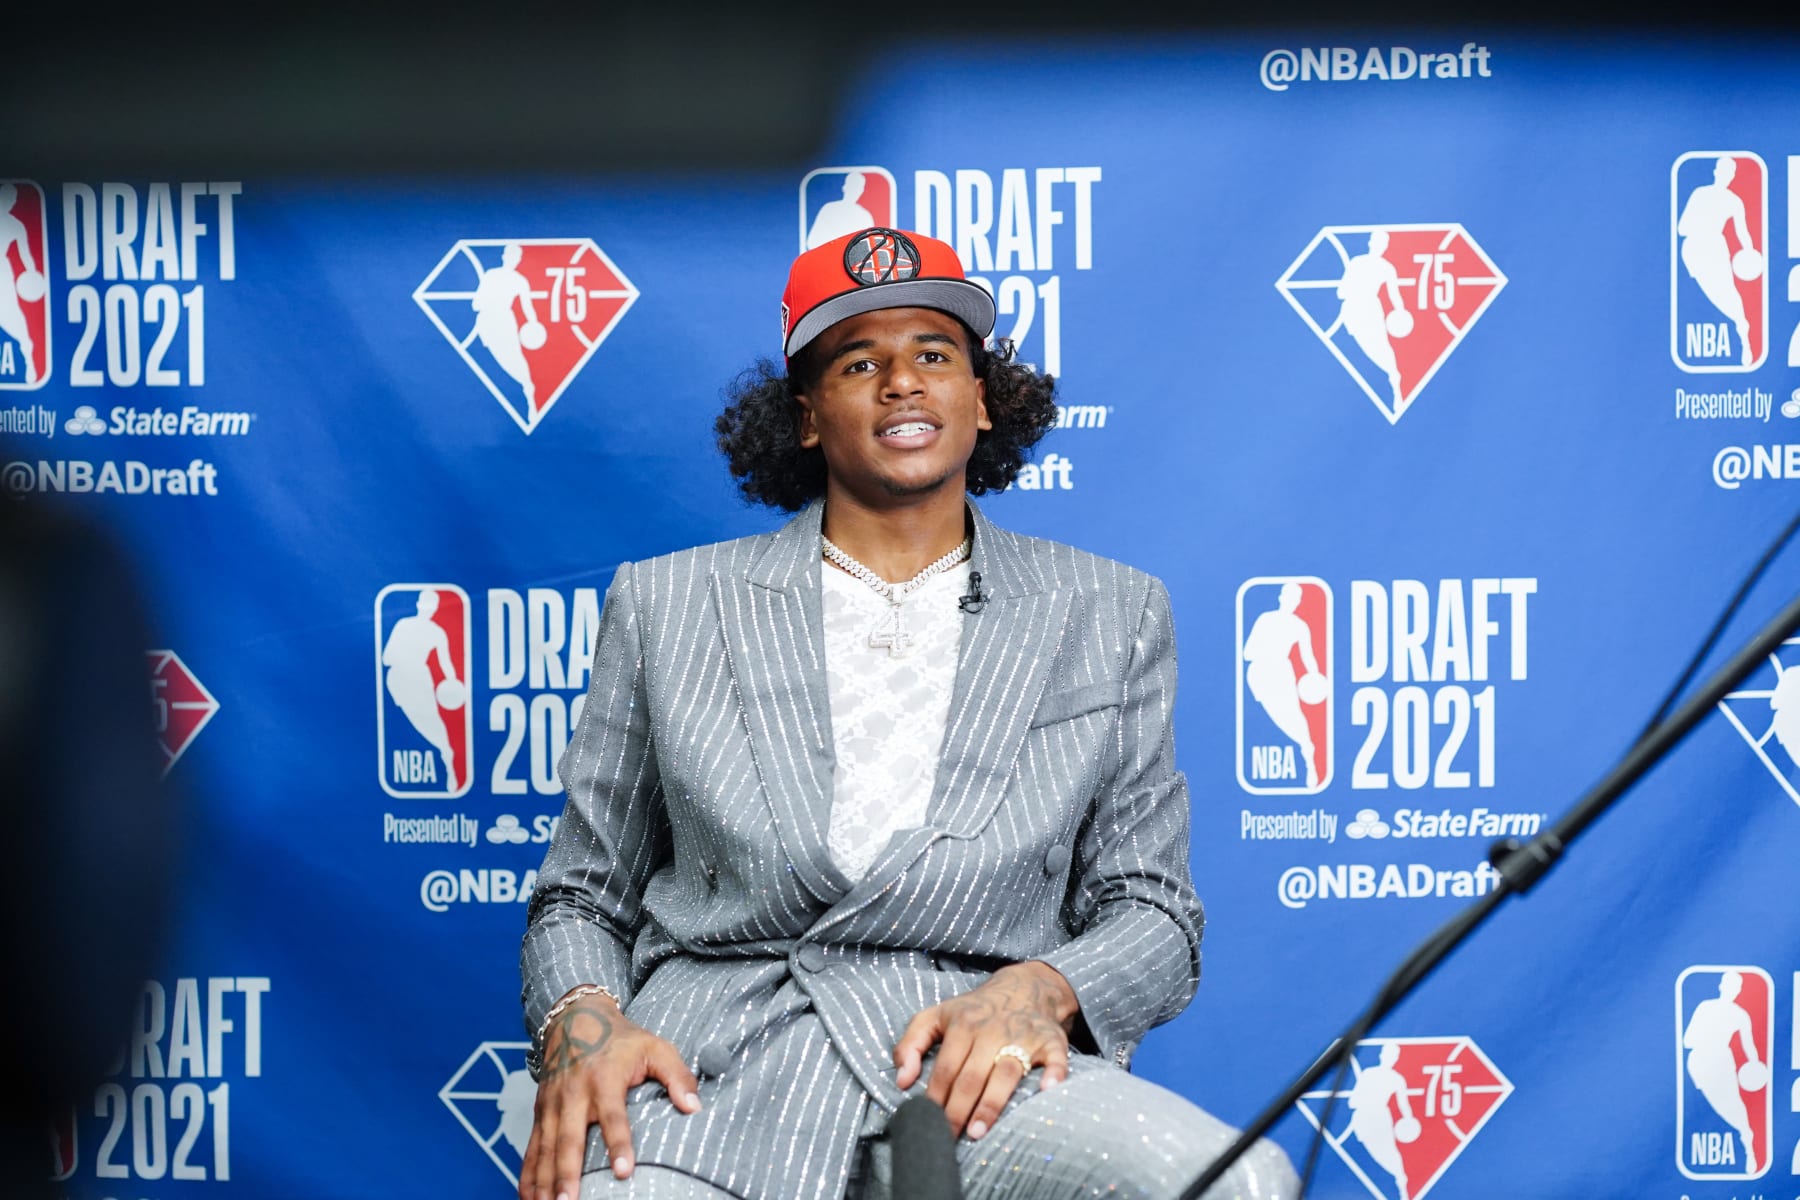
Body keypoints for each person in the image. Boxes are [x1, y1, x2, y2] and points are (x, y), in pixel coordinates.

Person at [519, 226, 1297, 1200]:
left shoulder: (1110, 610)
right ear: (805, 417)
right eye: (859, 361)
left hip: (976, 1062)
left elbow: (1155, 910)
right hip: (712, 1069)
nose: (902, 381)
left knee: (1242, 1182)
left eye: (935, 354)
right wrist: (582, 1022)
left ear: (982, 399)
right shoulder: (668, 603)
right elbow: (581, 895)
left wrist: (1045, 990)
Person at [1242, 581, 1323, 788]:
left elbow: (1308, 656)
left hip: (1283, 674)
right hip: (1259, 674)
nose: (1292, 602)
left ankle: (1309, 757)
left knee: (1295, 718)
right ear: (1281, 598)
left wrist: (1314, 676)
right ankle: (1306, 748)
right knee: (1274, 718)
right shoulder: (1266, 619)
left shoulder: (1299, 626)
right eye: (1288, 597)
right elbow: (1247, 652)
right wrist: (1268, 652)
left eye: (1296, 599)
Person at [1682, 970, 1764, 1169]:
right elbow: (1687, 1040)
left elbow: (1749, 1045)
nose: (1733, 990)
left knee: (1732, 1103)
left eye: (1737, 987)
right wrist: (1708, 1038)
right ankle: (1745, 1133)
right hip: (1699, 1061)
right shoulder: (1705, 1007)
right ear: (1721, 987)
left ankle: (1748, 1144)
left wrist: (1755, 1065)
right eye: (1730, 985)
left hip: (1722, 1061)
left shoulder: (1740, 1015)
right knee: (1712, 1105)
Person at [1345, 1042, 1413, 1200]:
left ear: (1396, 1059)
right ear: (1381, 1055)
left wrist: (1409, 1120)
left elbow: (1404, 1105)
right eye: (1387, 1054)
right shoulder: (1368, 1074)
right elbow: (1352, 1101)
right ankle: (1399, 1178)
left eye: (1393, 1056)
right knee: (1375, 1153)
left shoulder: (1397, 1079)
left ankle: (1402, 1182)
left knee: (1389, 1152)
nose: (1389, 1058)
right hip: (1362, 1118)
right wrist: (1360, 1100)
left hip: (1381, 1118)